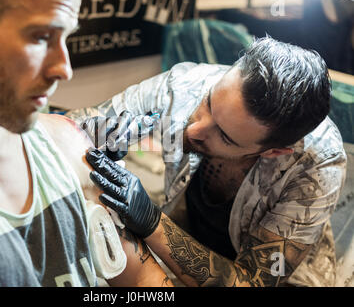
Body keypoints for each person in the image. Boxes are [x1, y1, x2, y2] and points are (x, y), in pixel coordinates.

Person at [0, 0, 173, 287]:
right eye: (41, 37)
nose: (65, 69)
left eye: (66, 37)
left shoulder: (66, 144)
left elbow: (144, 281)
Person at [69, 37, 347, 286]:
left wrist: (153, 223)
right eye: (209, 103)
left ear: (273, 152)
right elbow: (71, 128)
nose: (194, 130)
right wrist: (93, 136)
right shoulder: (185, 85)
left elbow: (253, 282)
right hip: (188, 240)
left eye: (225, 137)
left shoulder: (316, 164)